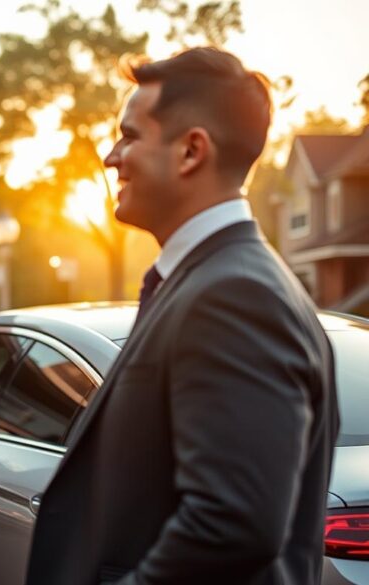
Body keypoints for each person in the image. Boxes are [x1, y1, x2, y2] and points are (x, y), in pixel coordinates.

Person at [25, 48, 339, 585]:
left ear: (191, 151)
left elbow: (232, 524)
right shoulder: (215, 280)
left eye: (129, 136)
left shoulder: (234, 296)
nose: (111, 157)